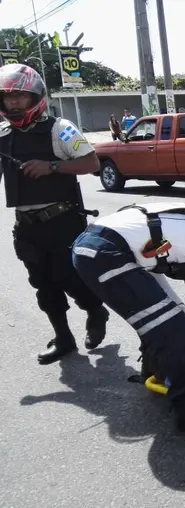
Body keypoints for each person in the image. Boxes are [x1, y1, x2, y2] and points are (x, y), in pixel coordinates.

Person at [71, 201, 185, 431]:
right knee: (172, 329)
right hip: (106, 254)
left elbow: (150, 268)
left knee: (161, 318)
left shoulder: (180, 218)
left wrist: (177, 307)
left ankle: (154, 371)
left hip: (87, 247)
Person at [0, 63, 109, 365]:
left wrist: (51, 166)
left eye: (20, 97)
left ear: (36, 97)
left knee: (70, 278)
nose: (13, 103)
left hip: (63, 221)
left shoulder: (62, 129)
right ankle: (63, 338)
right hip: (27, 226)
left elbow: (92, 163)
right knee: (43, 284)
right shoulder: (2, 136)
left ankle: (95, 310)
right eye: (8, 98)